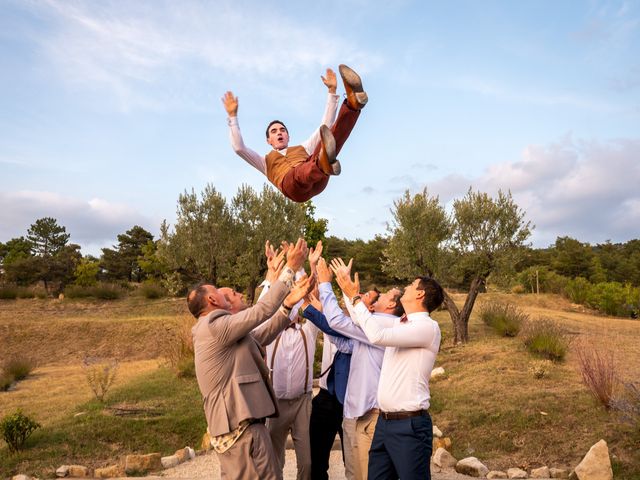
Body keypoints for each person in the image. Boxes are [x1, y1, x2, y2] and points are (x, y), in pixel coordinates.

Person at [188, 238, 313, 480]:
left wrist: (287, 305)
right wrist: (290, 269)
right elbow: (261, 312)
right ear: (212, 301)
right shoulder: (213, 325)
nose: (232, 294)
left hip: (246, 430)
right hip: (242, 434)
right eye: (222, 293)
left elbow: (260, 336)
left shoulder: (220, 332)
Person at [332, 259, 445, 480]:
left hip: (409, 426)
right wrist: (345, 285)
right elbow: (359, 319)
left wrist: (355, 297)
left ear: (420, 295)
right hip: (384, 424)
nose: (407, 287)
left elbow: (376, 335)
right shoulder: (399, 323)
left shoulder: (427, 328)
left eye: (412, 285)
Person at [222, 64, 368, 202]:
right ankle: (323, 162)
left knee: (330, 136)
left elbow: (326, 125)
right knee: (299, 173)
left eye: (282, 130)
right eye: (274, 131)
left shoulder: (304, 148)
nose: (279, 133)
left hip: (319, 178)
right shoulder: (264, 162)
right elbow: (239, 147)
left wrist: (331, 91)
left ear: (288, 136)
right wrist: (232, 116)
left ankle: (353, 105)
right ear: (269, 140)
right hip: (295, 189)